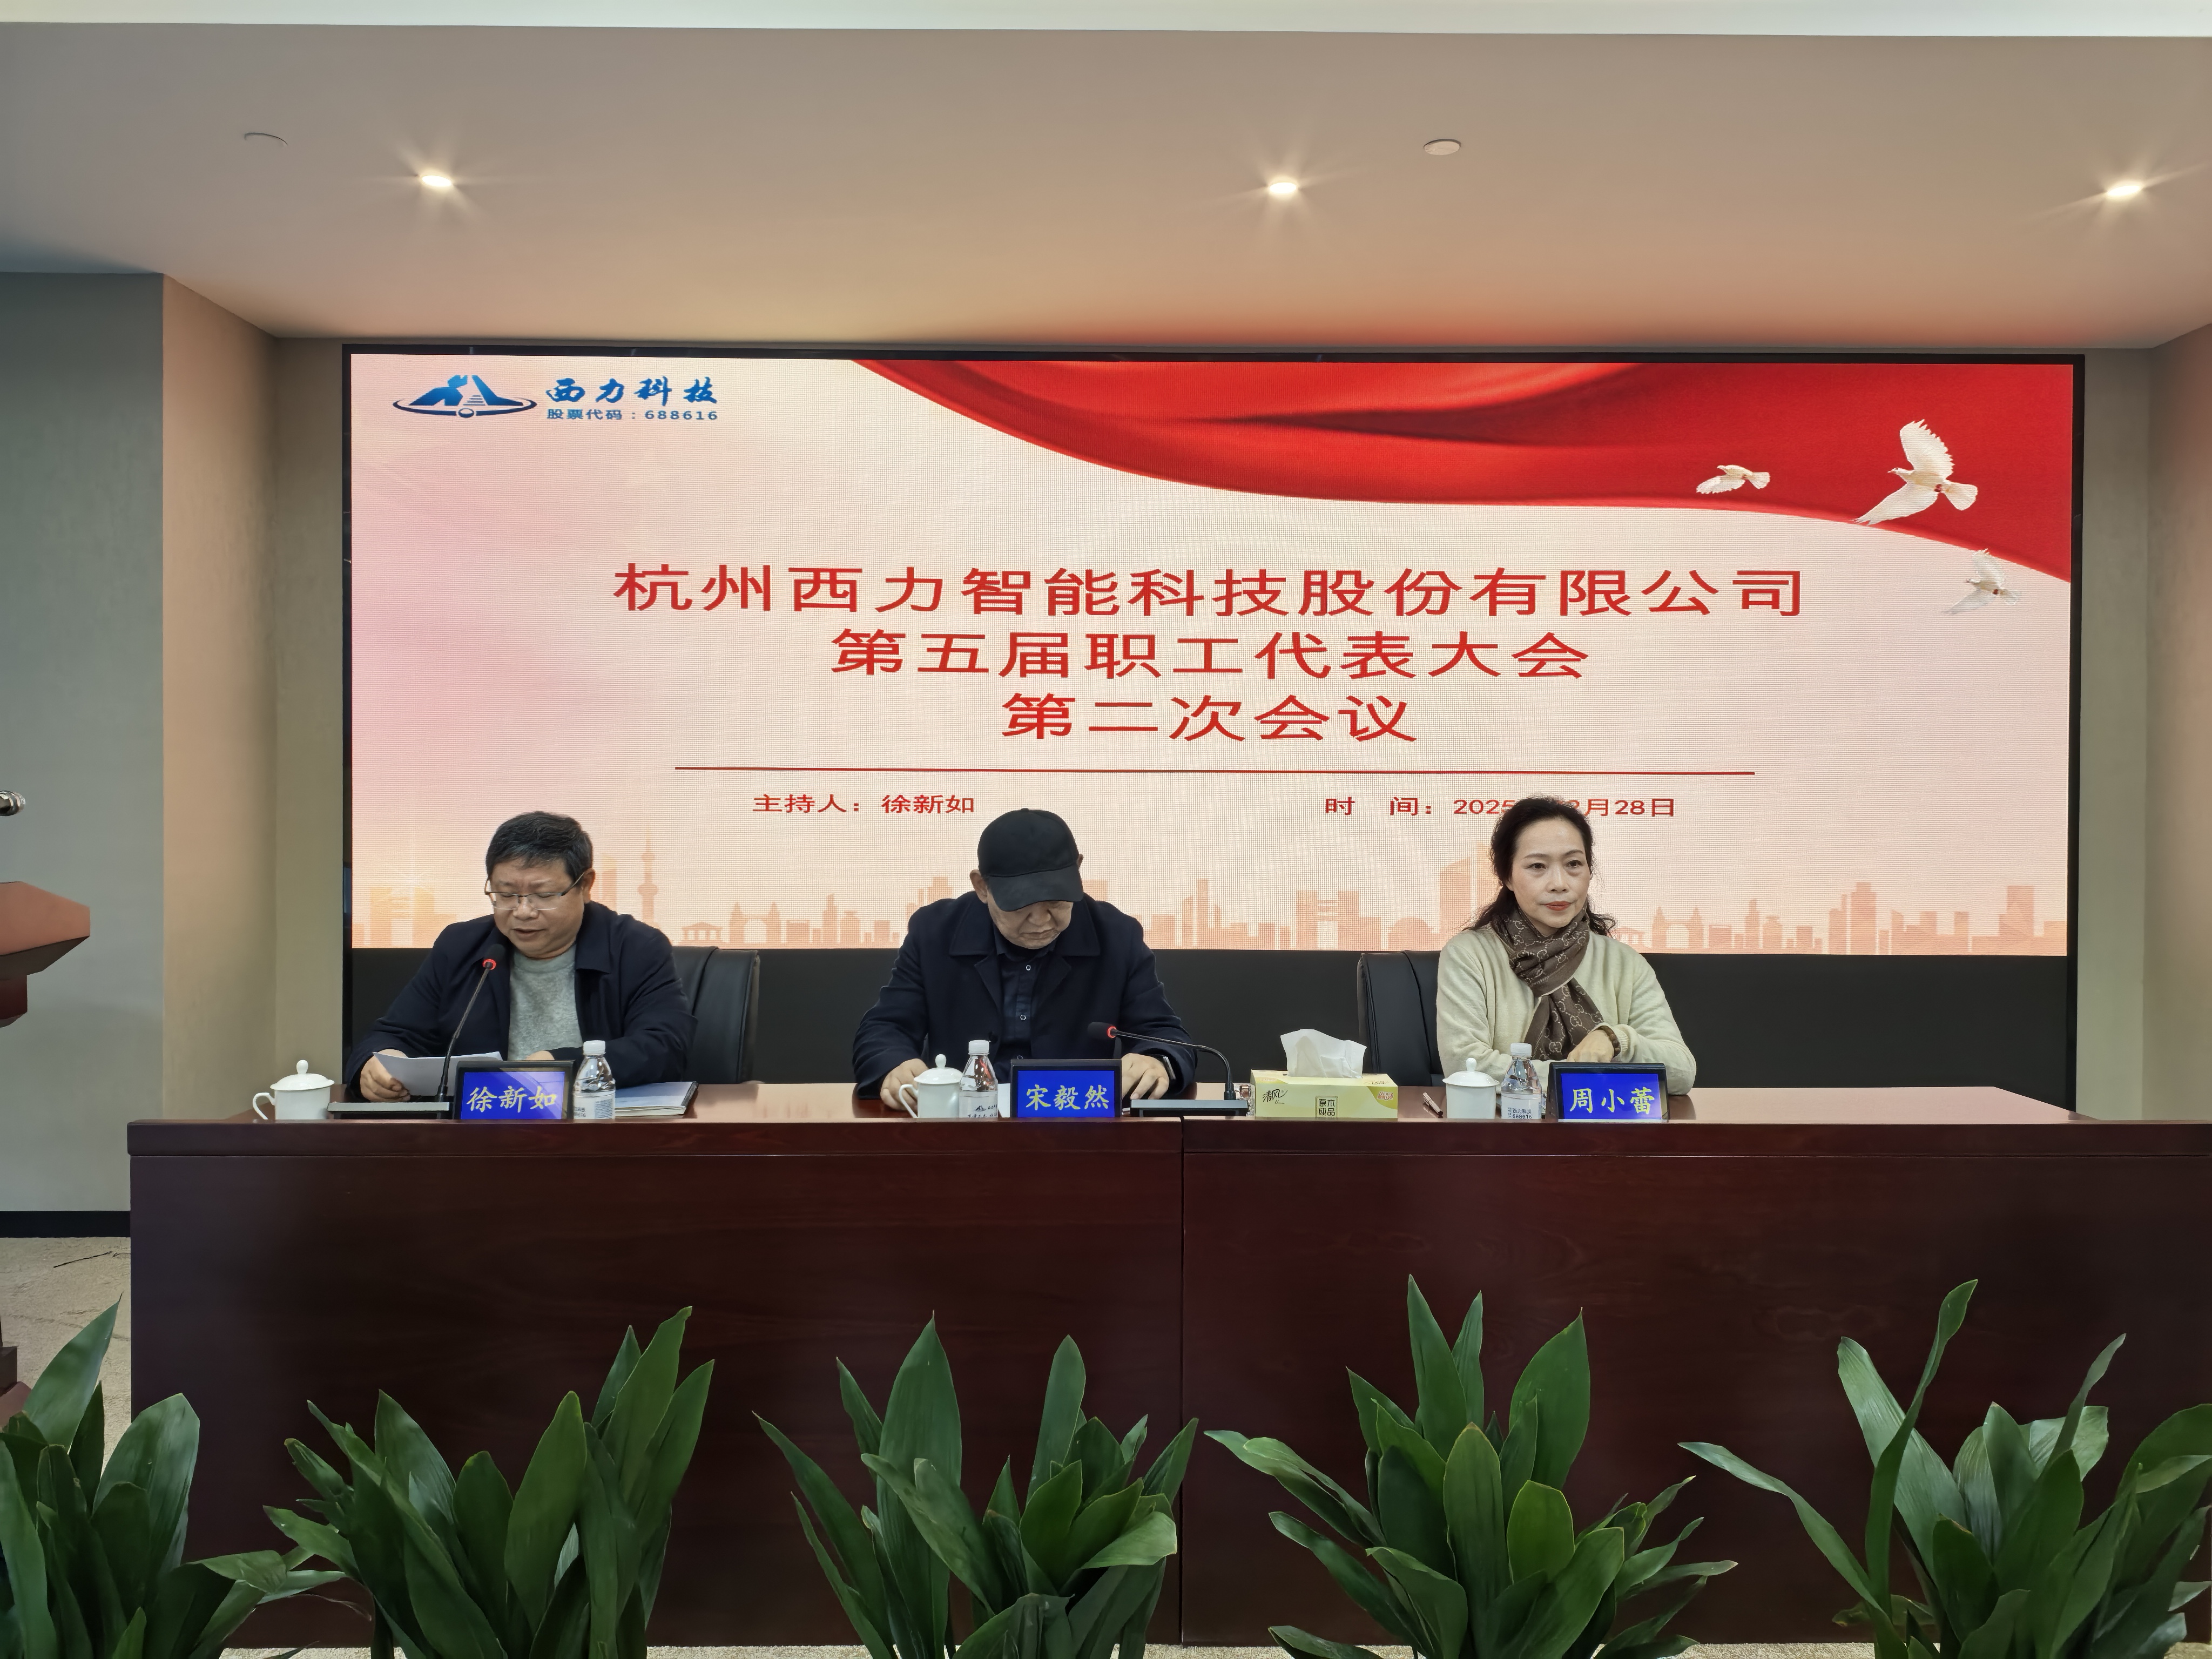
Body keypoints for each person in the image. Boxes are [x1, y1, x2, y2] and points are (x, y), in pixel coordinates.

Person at [854, 808, 1192, 1108]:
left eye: (1056, 902)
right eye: (1020, 905)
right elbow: (887, 1027)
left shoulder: (1117, 936)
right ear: (982, 887)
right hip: (965, 1123)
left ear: (1078, 870)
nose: (1041, 921)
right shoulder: (935, 933)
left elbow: (1162, 1033)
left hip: (1076, 1123)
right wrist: (894, 1064)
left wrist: (1157, 1060)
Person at [345, 812, 695, 1100]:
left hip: (595, 1129)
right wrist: (377, 1065)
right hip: (480, 1133)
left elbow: (664, 1047)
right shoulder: (462, 946)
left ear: (586, 886)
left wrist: (560, 1066)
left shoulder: (635, 947)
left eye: (543, 895)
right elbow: (395, 1033)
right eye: (507, 894)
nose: (523, 912)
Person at [1435, 796, 1695, 1097]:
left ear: (1589, 870)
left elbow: (1681, 1072)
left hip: (1609, 1125)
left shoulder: (1624, 962)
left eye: (1573, 864)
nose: (1559, 883)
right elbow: (1465, 1064)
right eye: (1537, 866)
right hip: (1507, 1124)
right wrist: (1581, 1077)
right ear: (1507, 876)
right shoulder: (1470, 955)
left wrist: (1616, 1040)